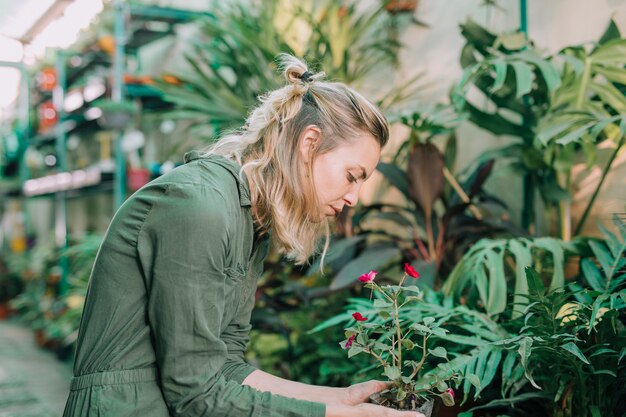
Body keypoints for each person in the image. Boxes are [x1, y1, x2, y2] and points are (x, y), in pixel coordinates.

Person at [62, 54, 424, 417]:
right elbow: (195, 393)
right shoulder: (199, 207)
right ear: (310, 142)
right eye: (352, 175)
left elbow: (226, 367)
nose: (353, 199)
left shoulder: (250, 220)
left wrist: (336, 400)